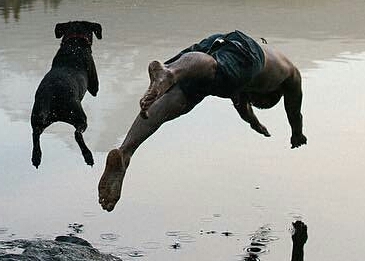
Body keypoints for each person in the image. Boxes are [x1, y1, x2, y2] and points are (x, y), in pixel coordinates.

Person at [97, 30, 305, 211]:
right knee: (215, 69)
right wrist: (297, 133)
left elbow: (243, 107)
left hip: (208, 51)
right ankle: (170, 72)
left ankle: (126, 152)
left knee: (179, 100)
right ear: (270, 93)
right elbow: (294, 110)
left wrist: (255, 124)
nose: (248, 98)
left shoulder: (245, 82)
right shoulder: (288, 73)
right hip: (244, 49)